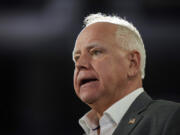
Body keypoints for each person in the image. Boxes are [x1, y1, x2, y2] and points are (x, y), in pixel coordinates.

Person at [72, 13, 180, 135]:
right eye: (77, 57)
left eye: (96, 52)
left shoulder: (169, 118)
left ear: (132, 63)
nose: (80, 64)